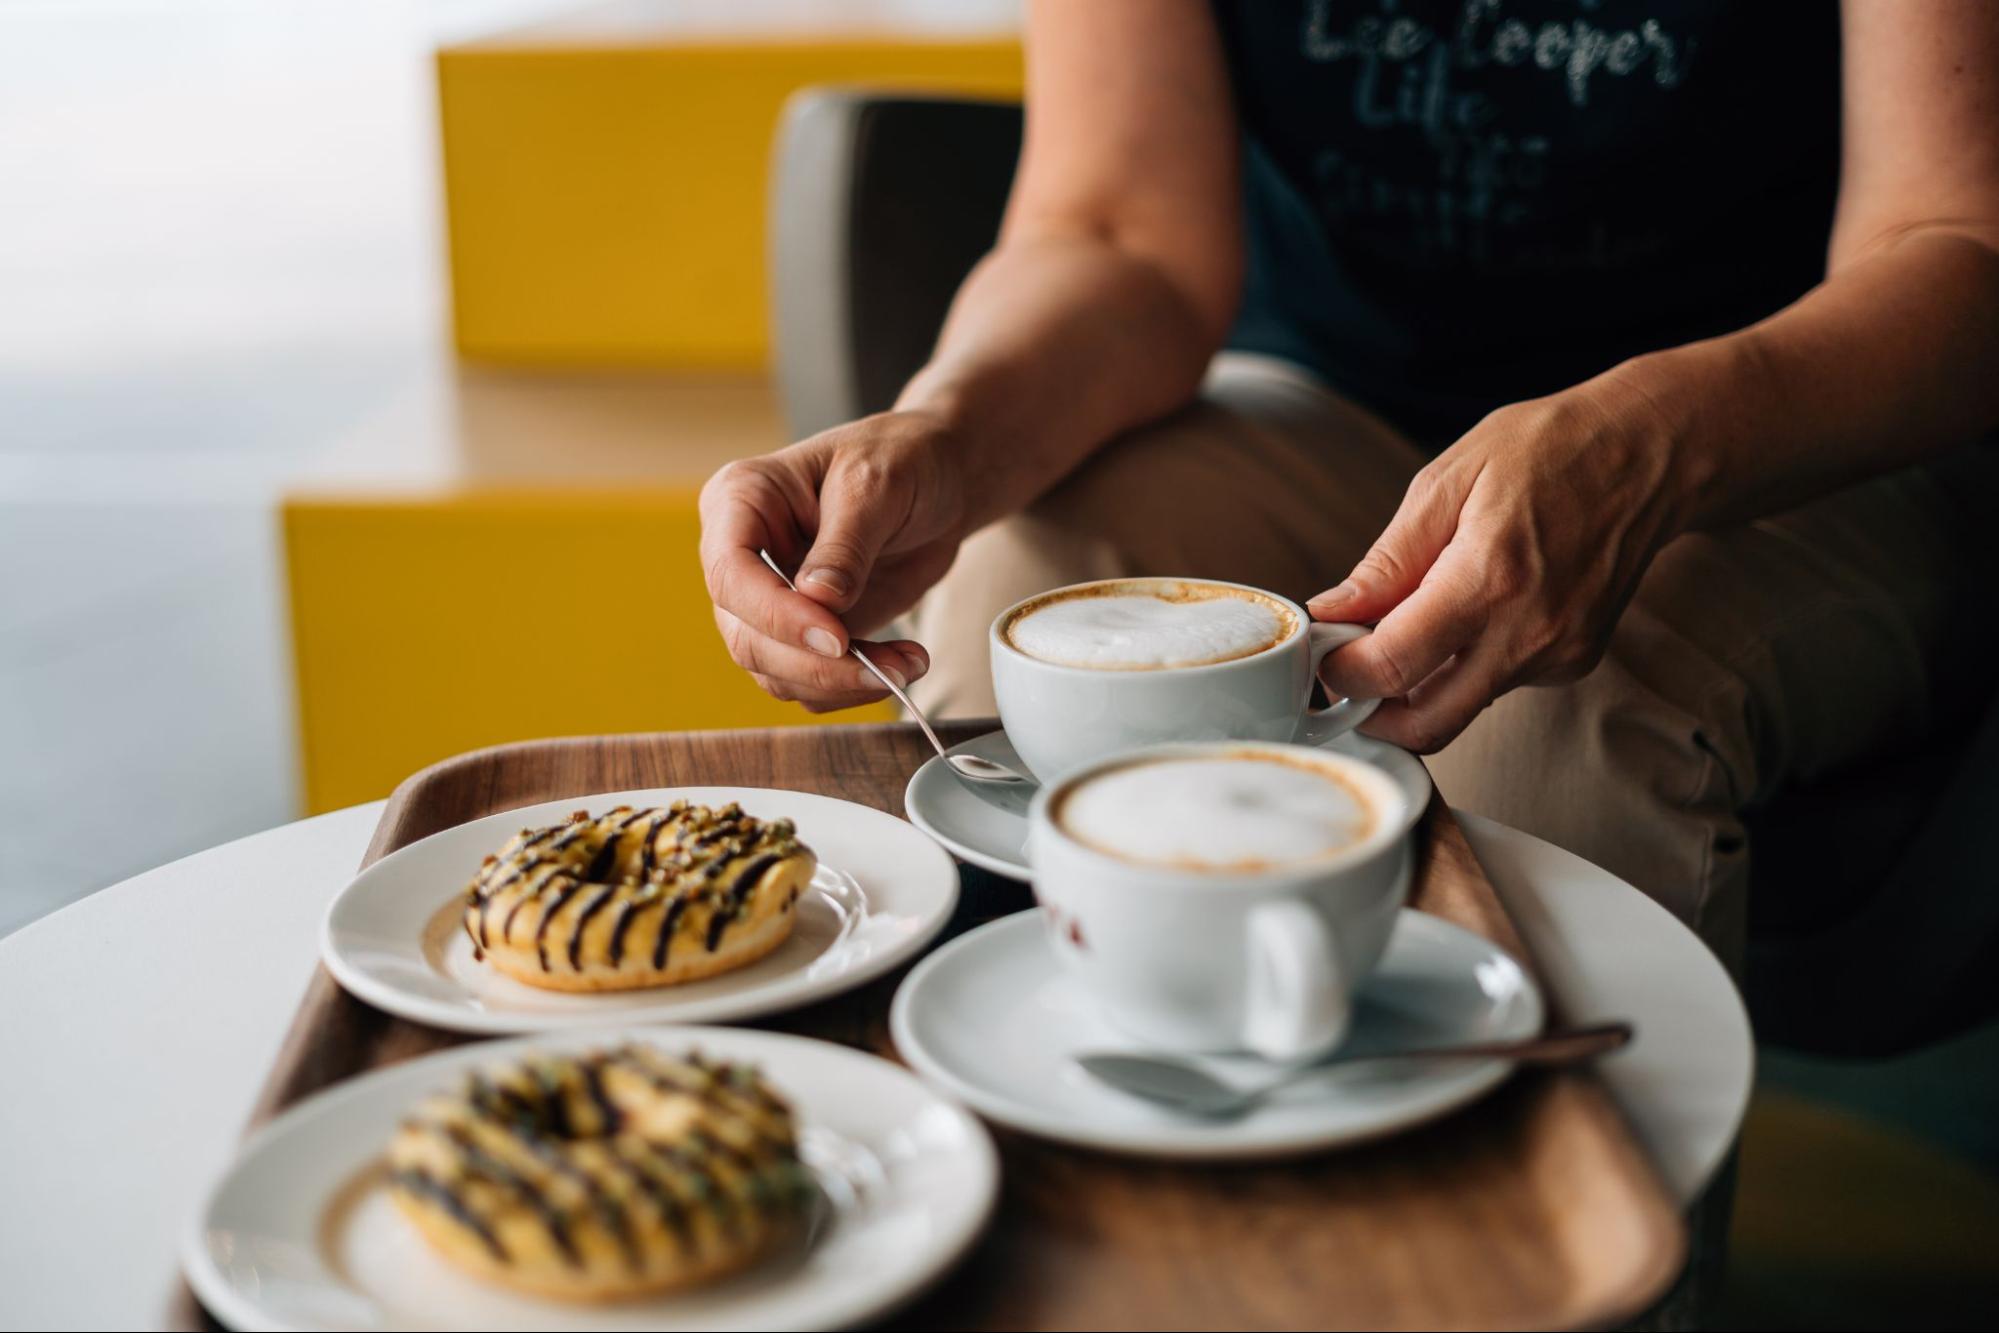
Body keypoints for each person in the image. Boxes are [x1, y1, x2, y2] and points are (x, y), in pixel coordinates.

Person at [698, 0, 1999, 961]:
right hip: (1334, 400)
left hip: (1791, 432)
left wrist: (1644, 440)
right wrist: (943, 434)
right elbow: (1118, 232)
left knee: (1557, 729)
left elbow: (1956, 239)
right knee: (1015, 590)